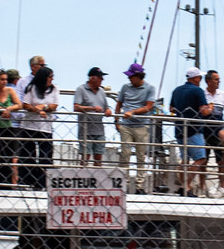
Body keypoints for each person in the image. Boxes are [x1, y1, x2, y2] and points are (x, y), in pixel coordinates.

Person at [115, 64, 159, 192]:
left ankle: (139, 186)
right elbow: (119, 104)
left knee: (141, 156)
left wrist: (133, 112)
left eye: (131, 76)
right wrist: (116, 121)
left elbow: (149, 106)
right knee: (125, 154)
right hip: (126, 126)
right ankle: (125, 184)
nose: (129, 79)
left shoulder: (150, 88)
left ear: (138, 76)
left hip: (141, 126)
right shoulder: (125, 87)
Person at [14, 64, 59, 187]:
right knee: (28, 156)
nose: (52, 79)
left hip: (45, 127)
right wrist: (37, 110)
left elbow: (54, 105)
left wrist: (44, 107)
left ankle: (43, 182)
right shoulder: (31, 88)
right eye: (50, 77)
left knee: (45, 156)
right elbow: (26, 105)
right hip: (29, 126)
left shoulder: (54, 89)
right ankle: (28, 182)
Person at [169, 68, 209, 195]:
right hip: (194, 129)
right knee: (201, 158)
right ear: (196, 78)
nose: (201, 80)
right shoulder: (198, 91)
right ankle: (185, 185)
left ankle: (186, 187)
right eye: (200, 78)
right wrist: (210, 109)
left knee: (184, 160)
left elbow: (171, 108)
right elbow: (204, 111)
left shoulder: (176, 90)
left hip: (179, 128)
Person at [74, 67, 113, 166]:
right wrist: (91, 108)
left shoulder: (102, 92)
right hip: (85, 130)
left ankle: (98, 179)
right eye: (100, 77)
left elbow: (106, 107)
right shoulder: (81, 89)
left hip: (99, 130)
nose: (102, 80)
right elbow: (76, 107)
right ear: (92, 78)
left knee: (99, 158)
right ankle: (82, 178)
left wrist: (108, 110)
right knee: (85, 157)